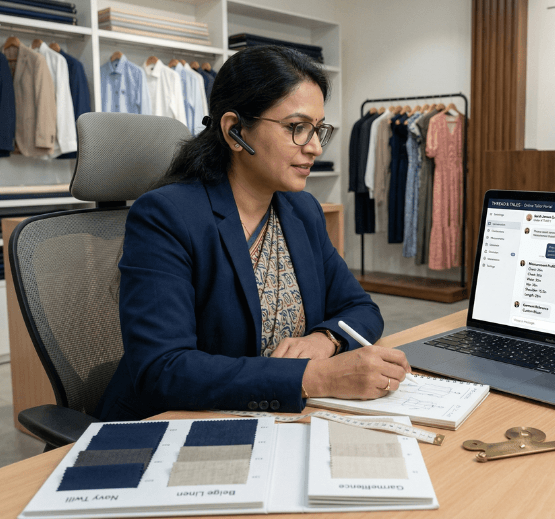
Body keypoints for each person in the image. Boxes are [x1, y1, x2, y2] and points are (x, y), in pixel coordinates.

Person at [95, 46, 411, 422]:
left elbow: (360, 309)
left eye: (318, 129)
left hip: (276, 419)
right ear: (234, 131)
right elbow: (164, 369)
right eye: (297, 128)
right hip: (175, 425)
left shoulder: (302, 211)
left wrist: (324, 340)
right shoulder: (165, 217)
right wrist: (313, 377)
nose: (314, 147)